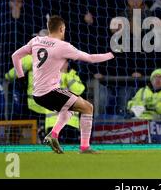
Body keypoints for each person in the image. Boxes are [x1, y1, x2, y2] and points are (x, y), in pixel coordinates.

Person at [10, 15, 114, 154]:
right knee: (88, 107)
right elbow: (90, 58)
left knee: (69, 108)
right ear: (61, 29)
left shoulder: (36, 40)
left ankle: (53, 135)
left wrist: (21, 77)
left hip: (37, 94)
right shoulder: (63, 46)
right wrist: (112, 54)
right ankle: (84, 148)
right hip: (50, 92)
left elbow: (15, 56)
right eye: (64, 29)